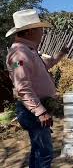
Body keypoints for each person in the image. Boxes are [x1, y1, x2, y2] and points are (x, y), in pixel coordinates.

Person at [5, 9, 69, 167]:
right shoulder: (19, 54)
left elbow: (43, 66)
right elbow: (22, 87)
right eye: (40, 29)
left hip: (33, 109)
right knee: (44, 153)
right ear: (31, 31)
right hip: (33, 111)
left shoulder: (28, 51)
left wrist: (60, 55)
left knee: (38, 150)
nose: (43, 33)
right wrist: (40, 111)